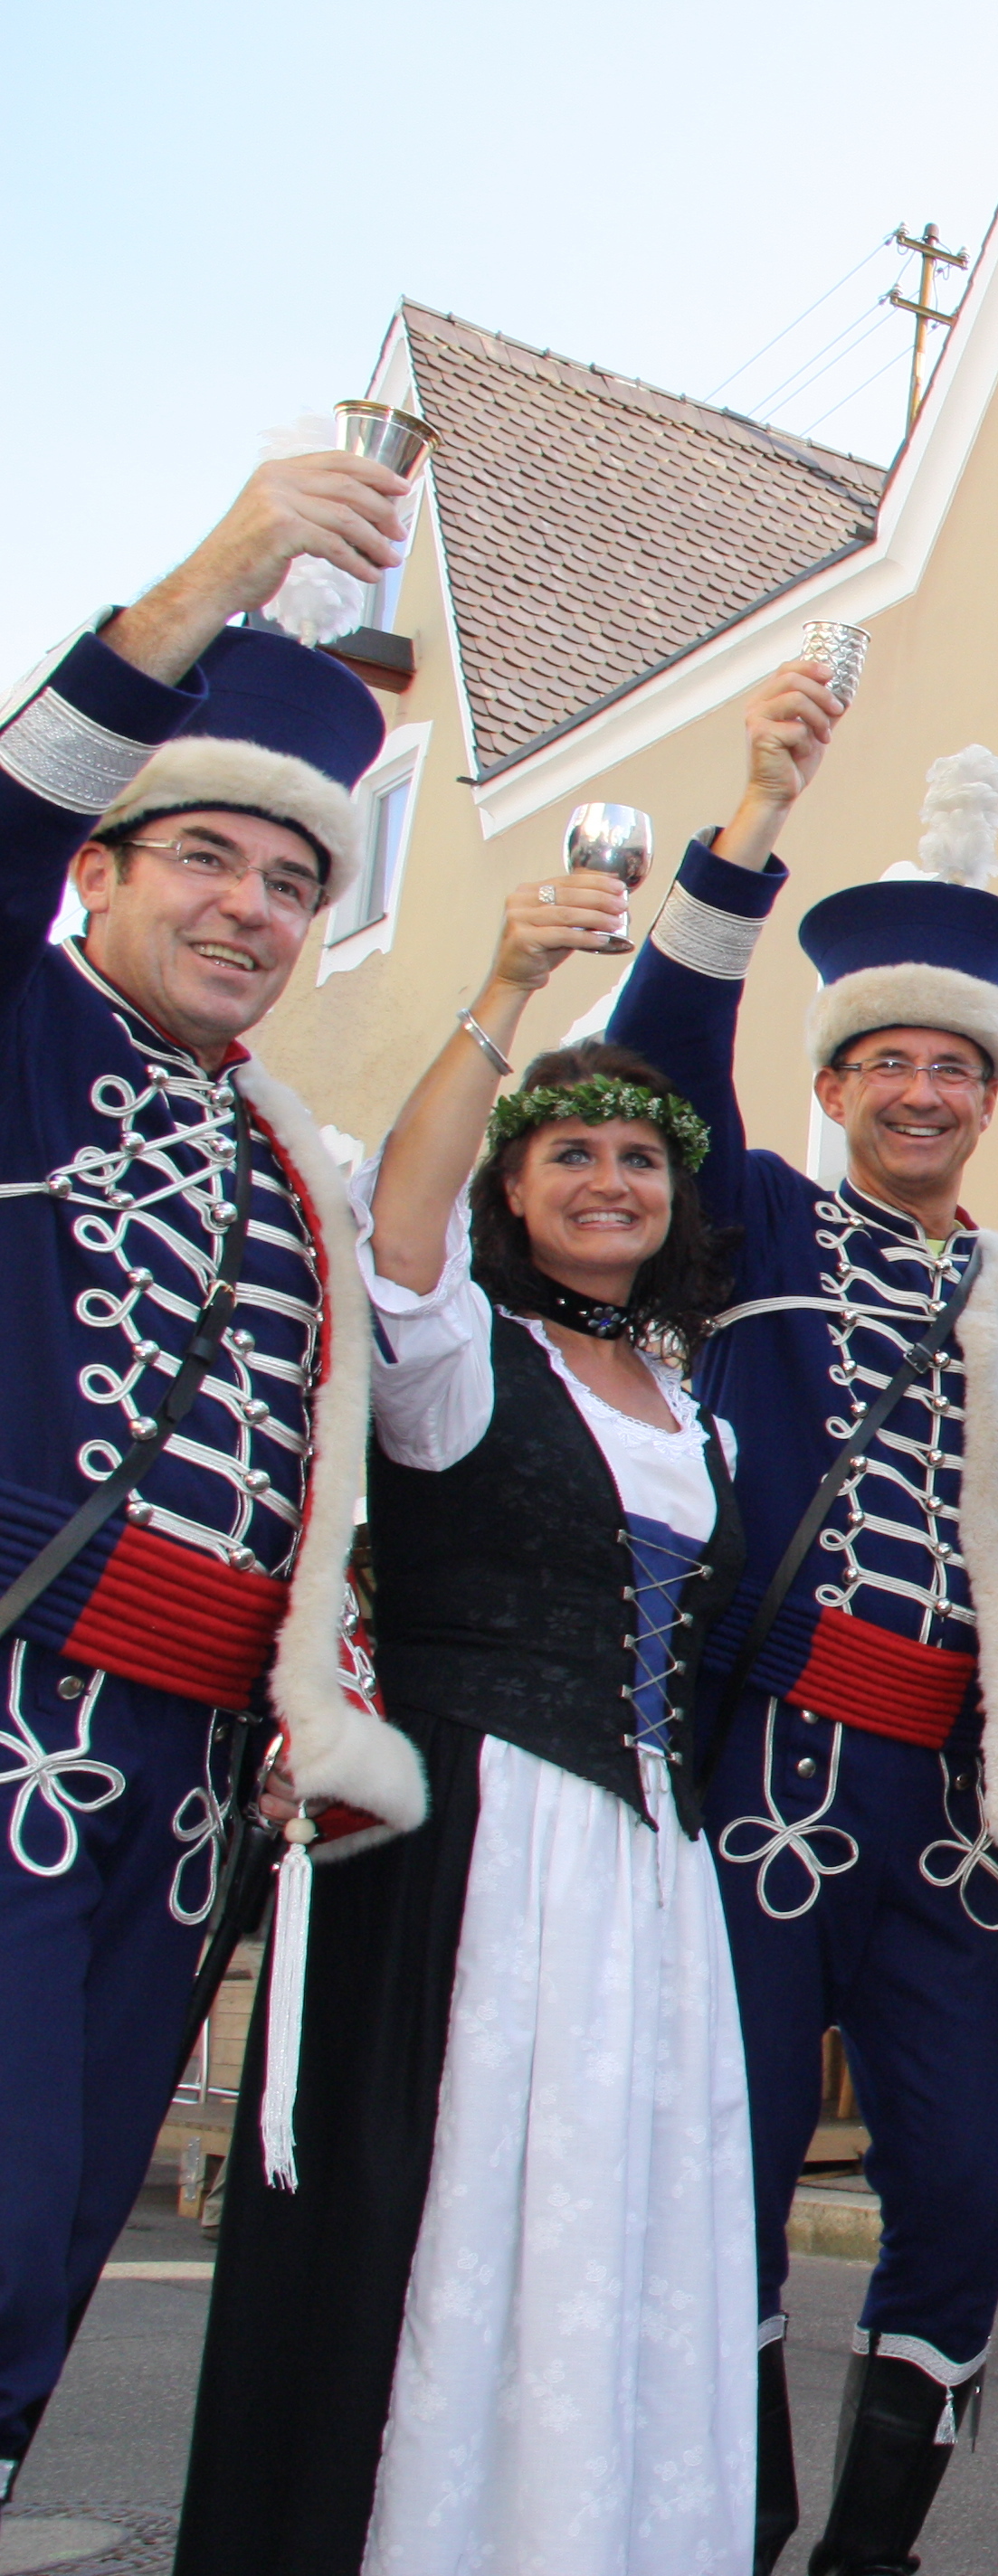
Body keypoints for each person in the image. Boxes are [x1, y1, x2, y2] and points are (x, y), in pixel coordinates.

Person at [611, 688, 998, 2576]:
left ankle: (869, 2547)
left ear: (991, 1093)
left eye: (960, 1067)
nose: (927, 1093)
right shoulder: (754, 1224)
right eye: (891, 1063)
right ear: (839, 1080)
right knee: (725, 2173)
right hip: (767, 1767)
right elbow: (658, 1058)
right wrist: (750, 825)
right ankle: (725, 2514)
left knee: (964, 2194)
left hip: (956, 1805)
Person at [179, 853, 761, 2569]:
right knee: (465, 2212)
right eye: (568, 1154)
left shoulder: (687, 1403)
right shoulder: (456, 1355)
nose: (607, 1180)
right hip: (484, 1845)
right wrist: (502, 991)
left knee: (619, 2220)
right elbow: (401, 1228)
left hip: (646, 1861)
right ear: (515, 1189)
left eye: (638, 1158)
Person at [0, 459, 423, 2510]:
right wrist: (223, 576)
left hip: (177, 1785)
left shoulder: (285, 1158)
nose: (251, 904)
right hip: (14, 1711)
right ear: (99, 869)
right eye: (207, 857)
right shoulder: (16, 1017)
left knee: (55, 2249)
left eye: (293, 877)